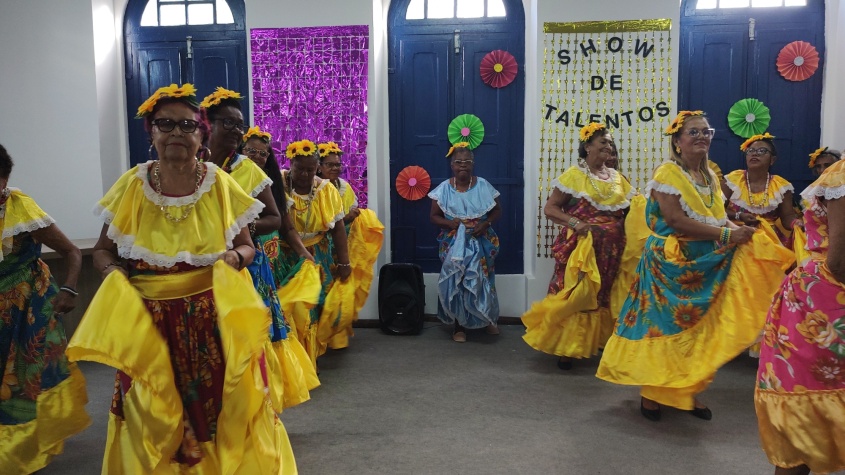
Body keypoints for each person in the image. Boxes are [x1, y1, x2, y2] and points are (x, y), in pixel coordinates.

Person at [67, 84, 297, 473]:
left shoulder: (219, 183)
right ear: (151, 133)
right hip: (148, 324)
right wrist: (111, 271)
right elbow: (103, 250)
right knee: (148, 408)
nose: (176, 132)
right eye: (166, 124)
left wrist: (233, 257)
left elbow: (247, 247)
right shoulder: (133, 185)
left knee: (213, 407)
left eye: (187, 125)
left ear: (201, 136)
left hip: (211, 320)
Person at [596, 110, 793, 422]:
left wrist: (739, 228)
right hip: (668, 265)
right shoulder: (667, 174)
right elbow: (676, 220)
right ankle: (653, 394)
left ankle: (685, 392)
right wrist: (728, 234)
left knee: (698, 331)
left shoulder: (709, 176)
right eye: (693, 132)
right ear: (677, 141)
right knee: (663, 328)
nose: (702, 137)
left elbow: (717, 217)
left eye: (706, 132)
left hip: (702, 263)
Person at [202, 89, 319, 407]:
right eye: (228, 123)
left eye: (239, 125)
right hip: (199, 266)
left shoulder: (247, 170)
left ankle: (256, 404)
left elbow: (275, 219)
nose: (236, 131)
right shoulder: (191, 165)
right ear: (207, 124)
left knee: (249, 338)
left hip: (245, 264)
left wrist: (240, 230)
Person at [0, 144, 90, 473]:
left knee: (26, 376)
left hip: (29, 306)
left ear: (4, 180)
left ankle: (21, 443)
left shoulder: (22, 210)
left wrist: (69, 289)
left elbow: (72, 252)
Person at [755, 159, 845, 475]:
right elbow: (840, 261)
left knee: (808, 404)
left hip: (824, 296)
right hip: (825, 298)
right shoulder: (840, 177)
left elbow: (839, 262)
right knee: (811, 404)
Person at [522, 123, 633, 369]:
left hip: (613, 250)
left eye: (610, 142)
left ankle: (599, 342)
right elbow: (551, 208)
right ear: (587, 146)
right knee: (577, 294)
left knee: (605, 294)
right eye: (603, 141)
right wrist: (576, 223)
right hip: (582, 249)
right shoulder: (574, 176)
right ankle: (568, 348)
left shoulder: (618, 179)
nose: (608, 146)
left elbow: (630, 211)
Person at [240, 125, 320, 406]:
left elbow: (286, 227)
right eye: (251, 151)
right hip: (244, 261)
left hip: (269, 260)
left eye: (263, 153)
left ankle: (273, 381)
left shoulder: (271, 186)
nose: (257, 157)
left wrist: (304, 253)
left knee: (276, 320)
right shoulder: (228, 180)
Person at [279, 139, 350, 367]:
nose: (305, 174)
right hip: (285, 254)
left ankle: (310, 359)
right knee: (289, 306)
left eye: (310, 169)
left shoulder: (325, 190)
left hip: (317, 253)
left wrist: (344, 263)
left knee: (312, 306)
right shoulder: (279, 184)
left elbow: (338, 228)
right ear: (290, 164)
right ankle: (292, 359)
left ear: (317, 167)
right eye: (299, 169)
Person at [429, 142, 502, 342]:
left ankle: (488, 319)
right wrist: (450, 223)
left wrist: (485, 224)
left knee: (485, 279)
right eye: (459, 162)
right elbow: (434, 217)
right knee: (458, 280)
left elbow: (497, 210)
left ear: (473, 164)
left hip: (482, 239)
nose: (463, 165)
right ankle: (459, 325)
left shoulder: (484, 185)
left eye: (467, 162)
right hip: (454, 243)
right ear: (452, 165)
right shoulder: (443, 189)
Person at [316, 141, 384, 350]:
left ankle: (337, 334)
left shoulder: (344, 187)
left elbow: (350, 214)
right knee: (323, 289)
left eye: (338, 164)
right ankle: (318, 337)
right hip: (321, 247)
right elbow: (321, 223)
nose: (335, 168)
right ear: (319, 166)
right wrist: (345, 219)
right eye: (330, 164)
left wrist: (356, 217)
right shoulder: (315, 187)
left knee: (342, 288)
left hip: (343, 245)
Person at [722, 133, 800, 247]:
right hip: (736, 236)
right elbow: (717, 211)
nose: (754, 153)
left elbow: (787, 216)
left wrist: (796, 223)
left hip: (769, 241)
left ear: (772, 160)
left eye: (762, 151)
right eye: (750, 151)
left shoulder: (781, 186)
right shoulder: (732, 181)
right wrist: (738, 216)